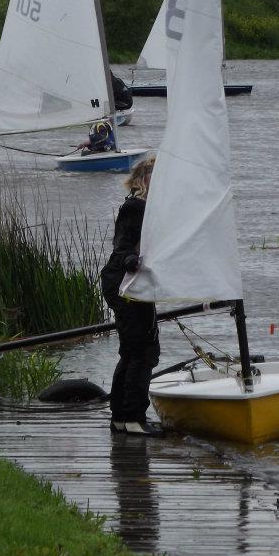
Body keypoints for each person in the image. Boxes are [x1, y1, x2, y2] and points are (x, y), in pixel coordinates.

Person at [100, 155, 163, 436]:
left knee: (133, 350)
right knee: (143, 351)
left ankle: (121, 417)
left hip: (134, 283)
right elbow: (123, 243)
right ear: (143, 178)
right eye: (155, 175)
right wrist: (130, 260)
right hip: (124, 282)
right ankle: (134, 418)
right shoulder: (135, 206)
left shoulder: (151, 208)